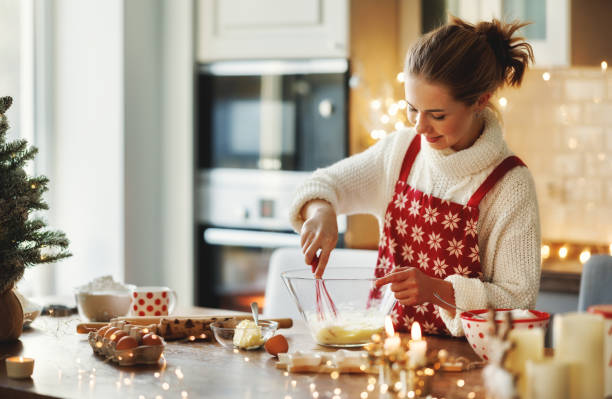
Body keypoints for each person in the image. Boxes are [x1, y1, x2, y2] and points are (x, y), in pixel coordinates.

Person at [288, 16, 541, 336]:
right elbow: (323, 185)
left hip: (472, 365)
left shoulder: (510, 185)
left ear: (481, 99)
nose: (419, 127)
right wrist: (321, 210)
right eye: (412, 109)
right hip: (391, 354)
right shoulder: (401, 151)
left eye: (437, 115)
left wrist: (439, 290)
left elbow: (520, 302)